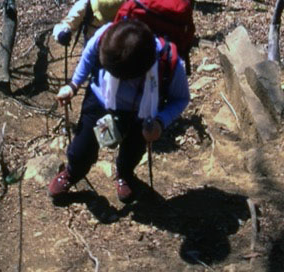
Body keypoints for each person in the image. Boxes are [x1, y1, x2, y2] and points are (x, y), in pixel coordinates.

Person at [48, 19, 190, 203]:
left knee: (133, 151)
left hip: (143, 114)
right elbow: (89, 55)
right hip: (100, 100)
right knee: (82, 147)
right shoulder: (110, 34)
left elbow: (181, 98)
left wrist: (160, 122)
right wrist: (73, 85)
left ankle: (124, 173)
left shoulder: (169, 62)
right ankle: (73, 172)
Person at [52, 0, 133, 47]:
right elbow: (65, 24)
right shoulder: (84, 5)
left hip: (121, 41)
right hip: (95, 43)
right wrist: (61, 34)